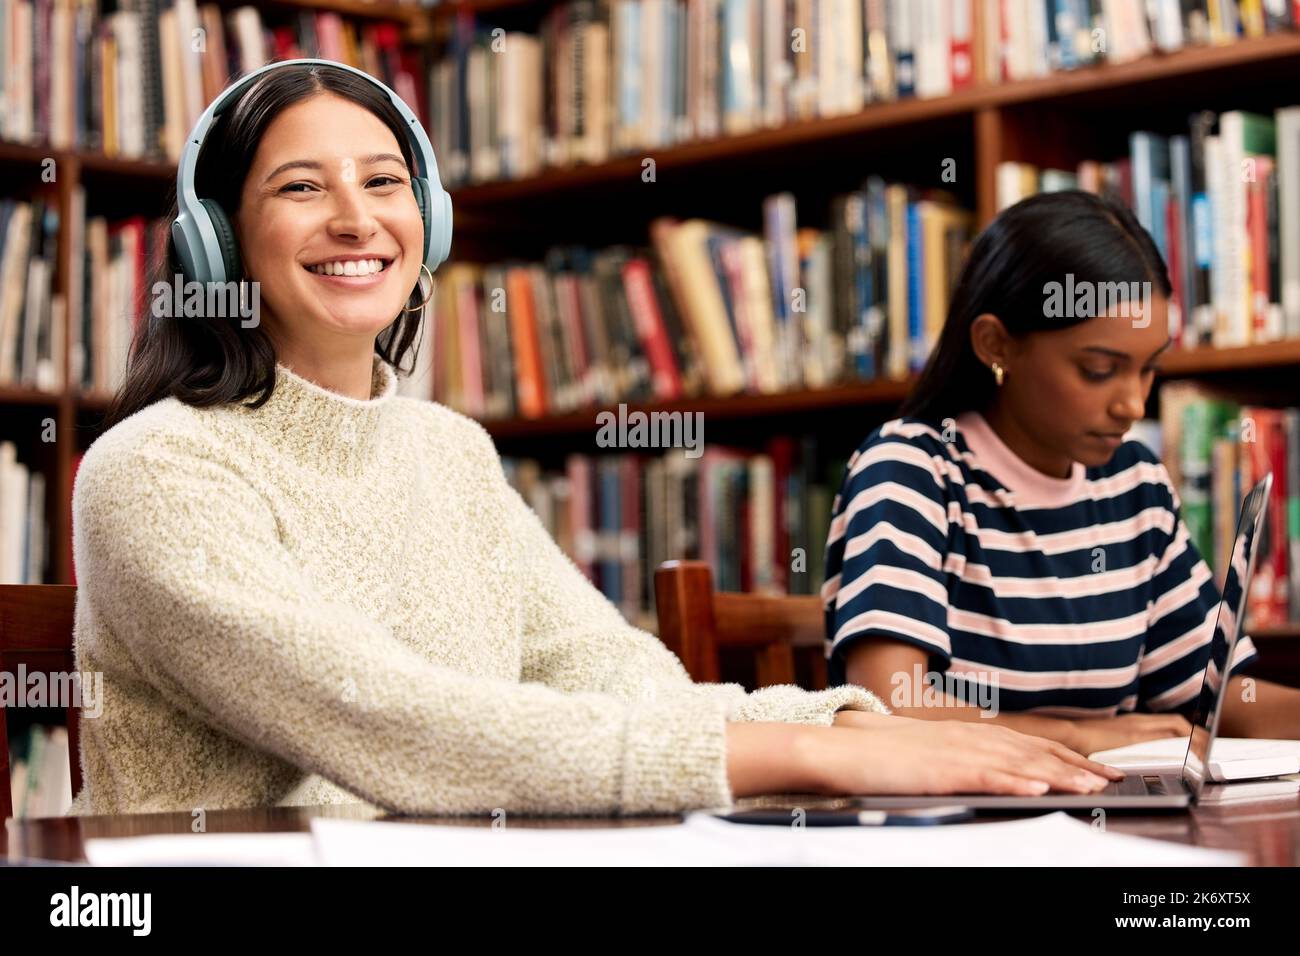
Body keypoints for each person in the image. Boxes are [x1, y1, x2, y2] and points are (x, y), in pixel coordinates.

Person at [68, 62, 1117, 818]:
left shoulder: (445, 451)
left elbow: (612, 674)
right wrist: (787, 747)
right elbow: (394, 723)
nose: (356, 219)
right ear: (217, 240)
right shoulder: (156, 472)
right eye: (302, 187)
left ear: (426, 221)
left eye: (384, 182)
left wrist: (853, 726)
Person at [823, 190, 1300, 756]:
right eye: (1099, 370)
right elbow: (891, 704)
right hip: (953, 830)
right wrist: (1084, 738)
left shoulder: (1135, 485)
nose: (1133, 405)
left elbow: (1220, 700)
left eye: (1149, 370)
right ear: (996, 345)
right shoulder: (914, 469)